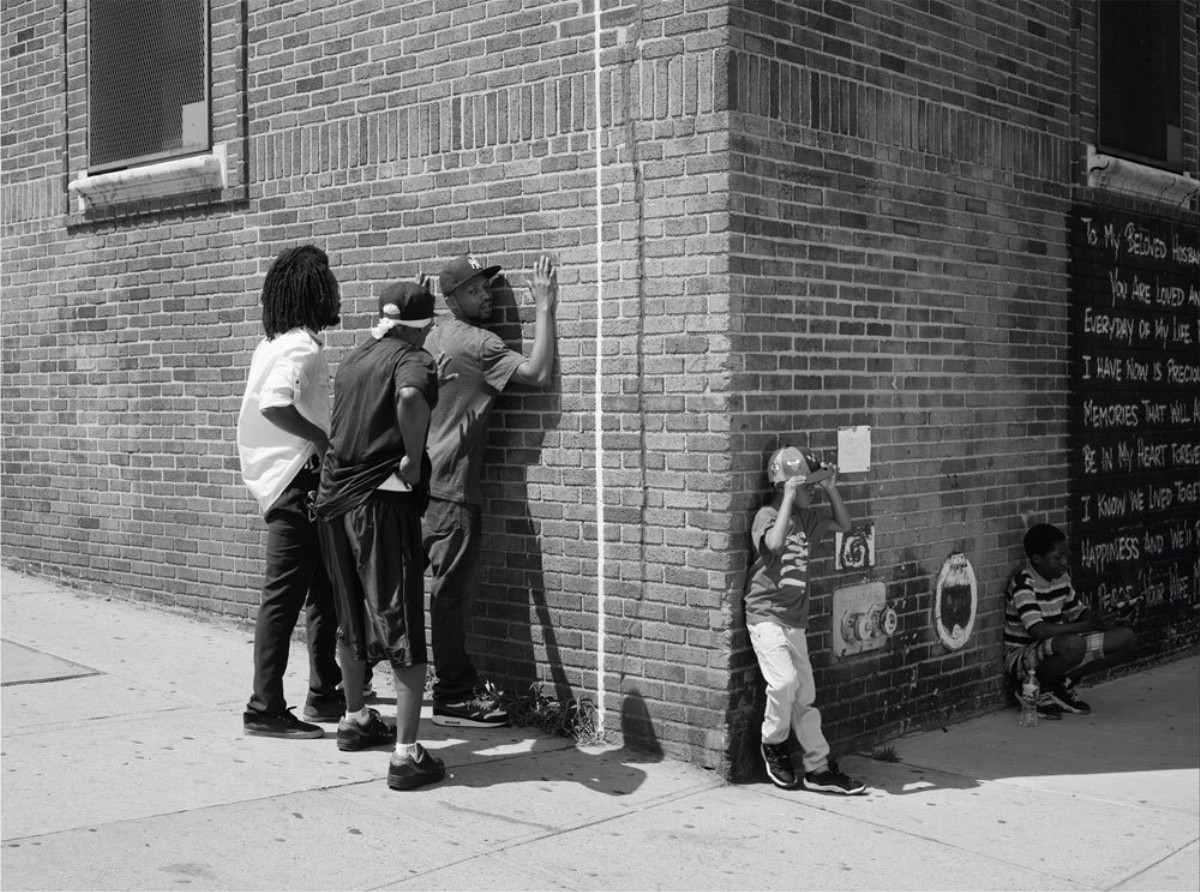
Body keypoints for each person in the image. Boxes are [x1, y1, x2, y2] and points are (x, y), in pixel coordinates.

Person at [315, 280, 444, 791]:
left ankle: (355, 718)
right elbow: (411, 395)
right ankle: (407, 755)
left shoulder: (356, 356)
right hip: (379, 504)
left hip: (332, 503)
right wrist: (412, 455)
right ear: (420, 329)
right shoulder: (412, 359)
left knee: (350, 616)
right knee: (403, 621)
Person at [422, 254, 558, 728]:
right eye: (476, 289)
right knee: (451, 599)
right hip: (454, 490)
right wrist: (544, 305)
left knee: (391, 590)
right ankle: (454, 697)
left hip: (412, 487)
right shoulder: (481, 345)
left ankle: (352, 682)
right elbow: (539, 373)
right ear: (453, 297)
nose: (487, 295)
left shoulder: (429, 335)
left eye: (487, 287)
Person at [237, 244, 344, 739]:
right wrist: (320, 437)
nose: (336, 289)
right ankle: (265, 708)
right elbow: (274, 405)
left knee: (323, 590)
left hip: (291, 482)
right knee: (283, 597)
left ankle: (325, 692)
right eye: (330, 281)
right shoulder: (301, 346)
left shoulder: (273, 344)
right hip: (297, 482)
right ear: (315, 292)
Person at [744, 446, 865, 794]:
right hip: (766, 615)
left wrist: (829, 488)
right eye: (806, 485)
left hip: (795, 620)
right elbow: (776, 544)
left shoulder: (809, 519)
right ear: (786, 486)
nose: (811, 490)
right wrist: (788, 497)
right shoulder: (768, 515)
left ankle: (818, 768)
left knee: (804, 696)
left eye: (813, 486)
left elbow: (845, 524)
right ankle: (774, 744)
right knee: (783, 683)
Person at [1004, 522, 1137, 716]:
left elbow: (1078, 612)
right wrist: (1086, 625)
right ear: (1037, 559)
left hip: (1056, 647)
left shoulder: (1061, 578)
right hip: (1023, 657)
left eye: (1066, 555)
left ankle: (1060, 686)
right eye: (1057, 558)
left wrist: (1103, 618)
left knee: (1126, 637)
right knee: (1073, 645)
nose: (1064, 562)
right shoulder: (1023, 584)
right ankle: (1030, 689)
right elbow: (1038, 631)